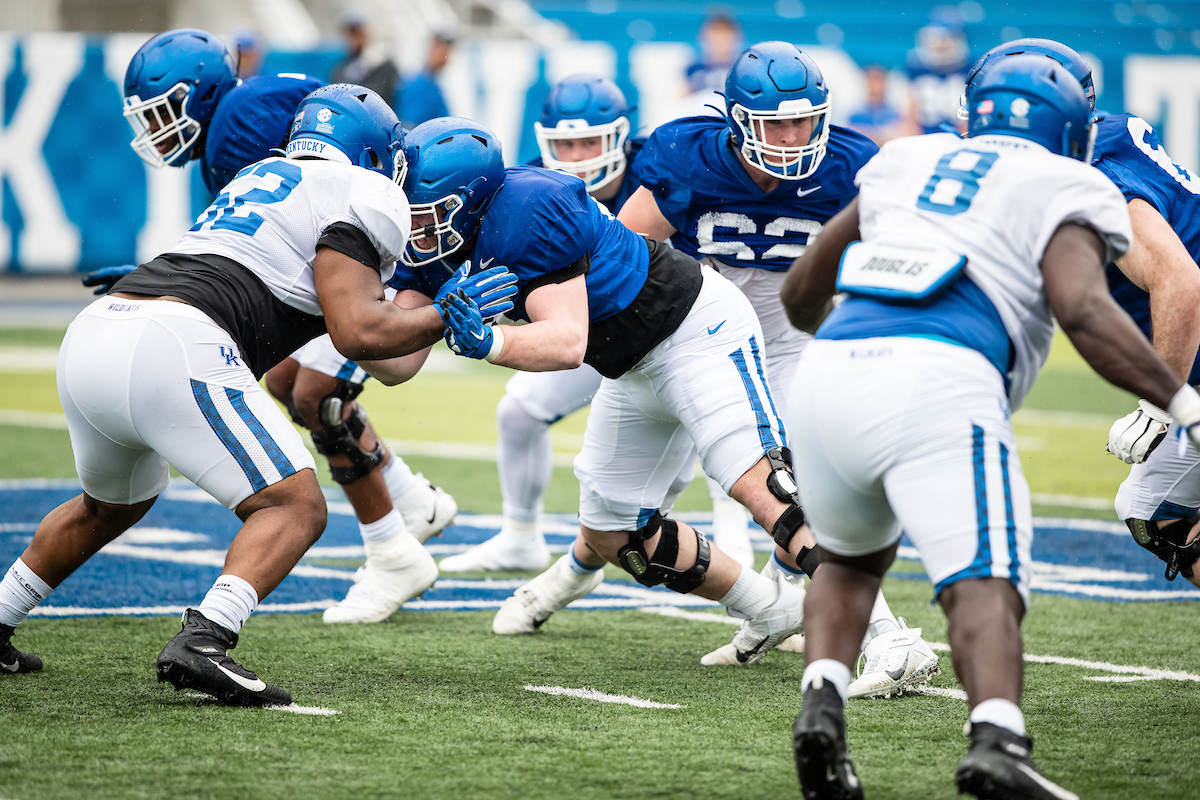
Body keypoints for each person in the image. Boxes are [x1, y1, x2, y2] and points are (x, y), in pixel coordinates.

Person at [0, 86, 511, 704]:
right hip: (176, 340)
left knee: (106, 506)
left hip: (98, 330)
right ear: (377, 156)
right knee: (295, 506)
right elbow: (358, 332)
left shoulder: (260, 173)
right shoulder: (369, 191)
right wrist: (443, 316)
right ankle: (207, 638)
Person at [781, 54, 1200, 800]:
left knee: (848, 559)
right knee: (985, 579)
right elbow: (1083, 307)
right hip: (942, 376)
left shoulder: (910, 157)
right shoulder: (1071, 176)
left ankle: (821, 705)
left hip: (828, 372)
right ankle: (999, 741)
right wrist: (1179, 403)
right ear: (1073, 127)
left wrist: (836, 340)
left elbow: (802, 289)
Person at [390, 117, 811, 667]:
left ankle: (884, 635)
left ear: (466, 204)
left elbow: (566, 344)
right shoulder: (430, 247)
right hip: (628, 364)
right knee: (616, 533)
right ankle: (773, 608)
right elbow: (396, 366)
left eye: (427, 214)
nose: (416, 229)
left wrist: (487, 340)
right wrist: (427, 319)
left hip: (691, 328)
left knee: (762, 484)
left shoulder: (528, 208)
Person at [617, 41, 938, 692]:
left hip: (796, 342)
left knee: (798, 489)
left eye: (804, 120)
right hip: (702, 339)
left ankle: (886, 636)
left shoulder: (851, 165)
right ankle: (772, 611)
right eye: (775, 124)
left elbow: (898, 259)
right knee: (625, 512)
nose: (793, 138)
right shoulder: (689, 155)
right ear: (736, 121)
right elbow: (627, 244)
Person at [116, 29, 460, 626]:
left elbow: (316, 206)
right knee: (285, 381)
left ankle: (391, 548)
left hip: (366, 244)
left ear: (197, 95)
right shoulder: (242, 115)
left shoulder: (241, 122)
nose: (156, 128)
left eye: (165, 110)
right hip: (338, 246)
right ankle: (408, 501)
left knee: (315, 392)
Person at [962, 39, 1200, 589]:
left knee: (1153, 502)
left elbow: (1182, 284)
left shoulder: (1098, 178)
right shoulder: (1097, 142)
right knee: (1152, 505)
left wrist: (1160, 403)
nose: (980, 129)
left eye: (995, 113)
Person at [438, 73, 651, 575]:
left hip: (656, 332)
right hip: (587, 334)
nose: (577, 155)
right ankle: (519, 535)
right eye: (565, 143)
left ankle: (740, 546)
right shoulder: (535, 188)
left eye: (589, 141)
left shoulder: (657, 172)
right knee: (518, 413)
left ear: (620, 137)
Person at [906, 18, 969, 135]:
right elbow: (910, 118)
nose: (940, 45)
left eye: (944, 40)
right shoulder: (916, 69)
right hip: (926, 136)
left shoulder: (967, 69)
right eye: (936, 40)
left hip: (957, 136)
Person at [331, 11, 400, 109]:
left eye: (356, 33)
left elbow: (374, 98)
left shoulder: (384, 66)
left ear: (367, 34)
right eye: (348, 33)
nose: (352, 39)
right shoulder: (340, 68)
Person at [395, 31, 455, 128]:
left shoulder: (433, 83)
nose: (446, 56)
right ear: (431, 49)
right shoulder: (418, 84)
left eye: (448, 51)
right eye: (442, 51)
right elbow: (410, 127)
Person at [685, 13, 743, 94]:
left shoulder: (741, 70)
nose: (720, 40)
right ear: (704, 36)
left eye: (725, 34)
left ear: (735, 36)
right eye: (716, 33)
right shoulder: (694, 69)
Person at [847, 65, 905, 145]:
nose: (875, 85)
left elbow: (902, 136)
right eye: (871, 80)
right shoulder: (856, 114)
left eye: (879, 80)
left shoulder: (894, 112)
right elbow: (853, 138)